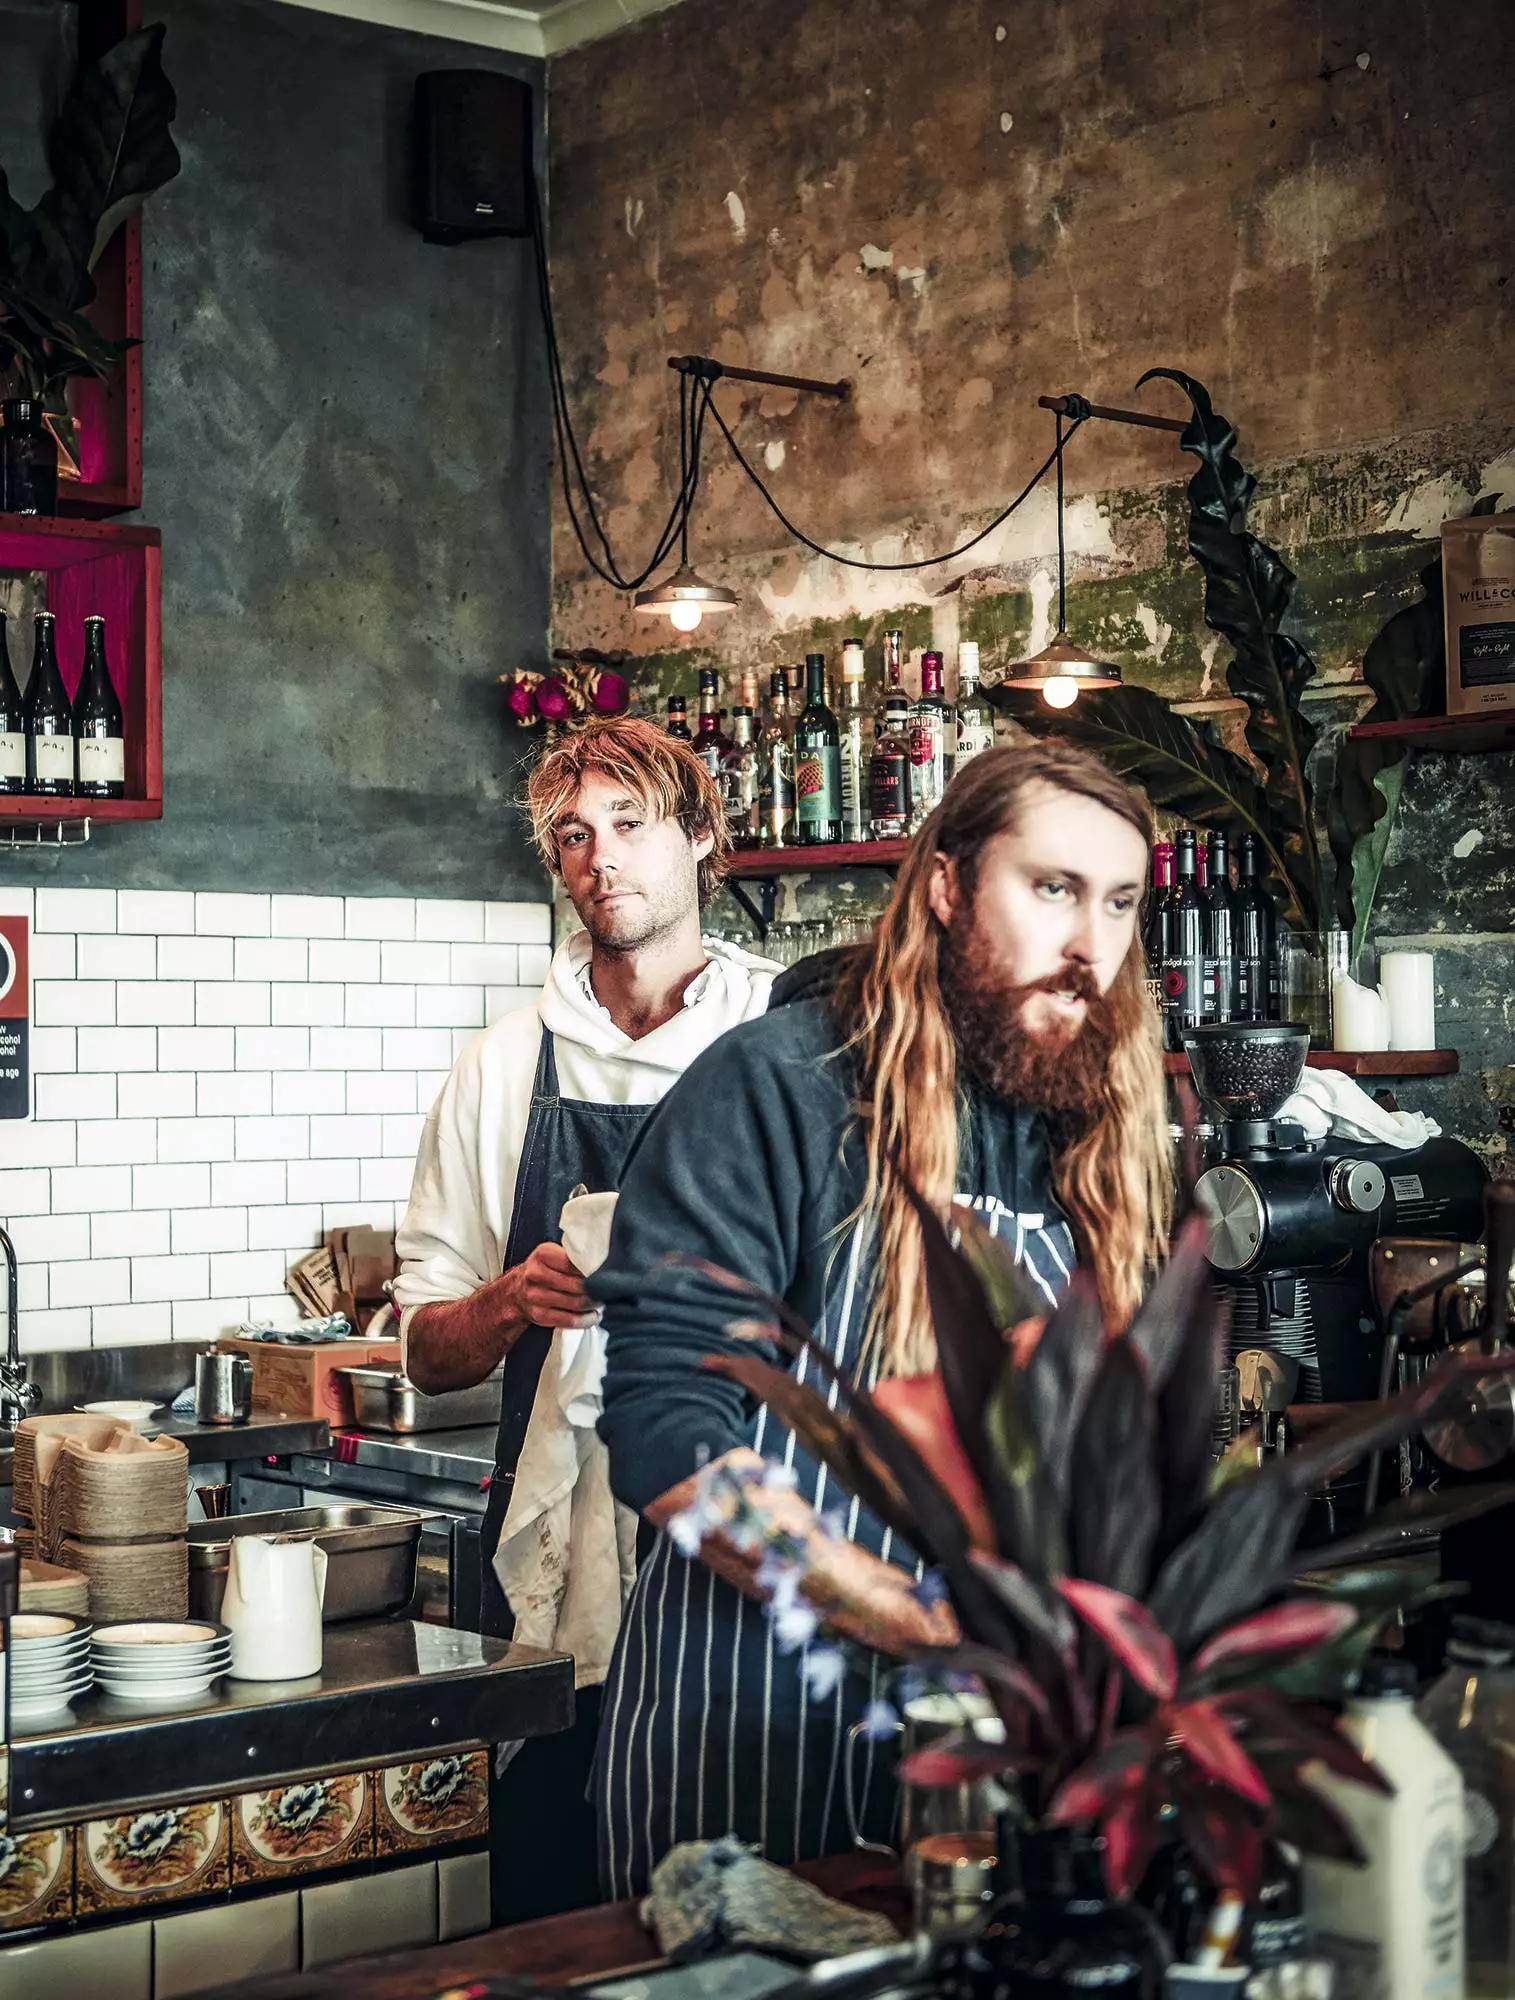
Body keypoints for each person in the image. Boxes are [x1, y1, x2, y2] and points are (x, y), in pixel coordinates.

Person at [588, 740, 1173, 1897]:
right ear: (948, 885)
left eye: (1119, 903)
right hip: (744, 1758)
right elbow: (667, 1432)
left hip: (982, 1766)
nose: (1089, 947)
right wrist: (915, 1612)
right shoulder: (780, 1090)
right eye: (1051, 888)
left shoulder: (1093, 1139)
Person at [393, 715, 778, 1920]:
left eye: (630, 823)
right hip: (558, 1563)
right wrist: (512, 1300)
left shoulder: (787, 1046)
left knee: (750, 1884)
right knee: (559, 1895)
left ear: (702, 835)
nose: (599, 856)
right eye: (573, 834)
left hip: (754, 1539)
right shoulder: (505, 1067)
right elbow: (422, 1350)